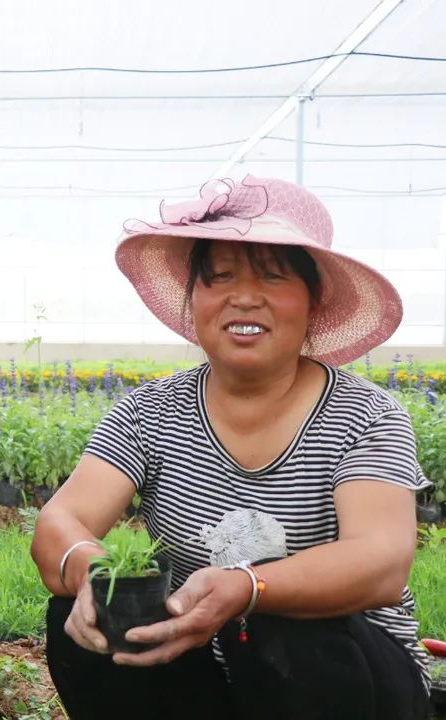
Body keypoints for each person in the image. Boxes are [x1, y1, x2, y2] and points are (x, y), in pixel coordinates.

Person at [31, 176, 431, 719]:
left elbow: (382, 562)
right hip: (199, 666)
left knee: (283, 627)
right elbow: (61, 521)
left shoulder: (365, 416)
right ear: (193, 300)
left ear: (314, 300)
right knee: (85, 613)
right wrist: (94, 572)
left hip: (352, 680)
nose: (244, 296)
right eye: (219, 277)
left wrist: (248, 588)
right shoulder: (150, 413)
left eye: (273, 275)